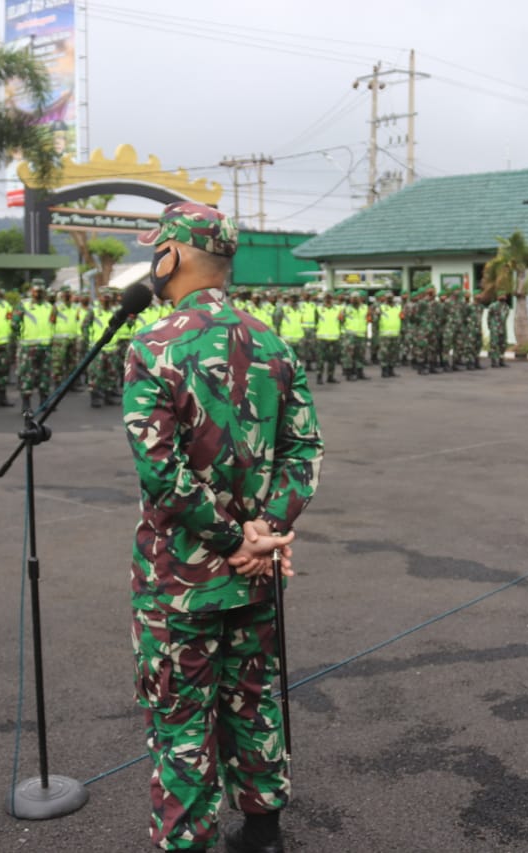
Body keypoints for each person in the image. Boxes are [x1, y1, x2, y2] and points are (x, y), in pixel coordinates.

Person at [123, 201, 323, 853]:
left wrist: (235, 539)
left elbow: (162, 474)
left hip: (180, 582)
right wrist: (265, 532)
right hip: (256, 574)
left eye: (157, 249)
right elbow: (304, 450)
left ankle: (189, 840)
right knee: (253, 699)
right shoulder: (272, 342)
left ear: (172, 255)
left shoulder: (153, 345)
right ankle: (263, 830)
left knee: (183, 722)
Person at [13, 280, 57, 411]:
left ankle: (44, 402)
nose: (38, 293)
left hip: (45, 346)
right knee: (27, 376)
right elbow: (14, 324)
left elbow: (53, 324)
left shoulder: (50, 307)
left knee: (45, 375)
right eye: (36, 290)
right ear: (31, 291)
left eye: (41, 291)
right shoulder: (23, 305)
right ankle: (26, 404)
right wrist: (21, 338)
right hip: (28, 347)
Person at [314, 291, 343, 384]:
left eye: (330, 298)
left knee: (332, 359)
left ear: (333, 299)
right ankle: (319, 377)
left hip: (334, 338)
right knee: (320, 359)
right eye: (326, 298)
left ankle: (330, 376)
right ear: (324, 299)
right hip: (322, 338)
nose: (328, 299)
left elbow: (342, 322)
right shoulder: (318, 309)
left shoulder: (338, 309)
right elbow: (315, 322)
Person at [374, 290, 402, 377]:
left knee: (393, 353)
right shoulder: (380, 307)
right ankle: (384, 370)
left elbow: (402, 318)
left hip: (395, 334)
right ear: (385, 298)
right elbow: (375, 321)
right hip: (384, 335)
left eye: (391, 297)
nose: (390, 298)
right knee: (384, 353)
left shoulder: (398, 307)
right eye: (388, 297)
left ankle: (391, 370)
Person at [486, 294, 510, 367]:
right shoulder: (492, 306)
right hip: (495, 328)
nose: (503, 296)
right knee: (494, 344)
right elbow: (489, 317)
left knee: (503, 345)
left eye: (504, 295)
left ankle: (501, 360)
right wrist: (490, 326)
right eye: (501, 295)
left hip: (503, 328)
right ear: (498, 297)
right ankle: (494, 361)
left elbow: (505, 317)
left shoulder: (506, 307)